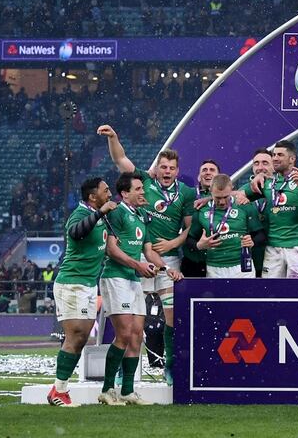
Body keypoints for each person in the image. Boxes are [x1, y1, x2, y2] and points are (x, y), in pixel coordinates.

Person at [98, 124, 194, 385]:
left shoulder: (185, 193)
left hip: (167, 259)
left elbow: (188, 229)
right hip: (137, 257)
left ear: (177, 170)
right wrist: (114, 137)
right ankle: (123, 373)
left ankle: (170, 367)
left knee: (172, 317)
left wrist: (173, 241)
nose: (167, 172)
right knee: (129, 323)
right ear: (157, 168)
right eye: (163, 167)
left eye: (171, 168)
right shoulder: (144, 183)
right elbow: (120, 159)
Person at [99, 173, 182, 406]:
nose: (143, 192)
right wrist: (138, 266)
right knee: (124, 334)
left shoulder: (142, 215)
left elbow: (148, 251)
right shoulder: (116, 213)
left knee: (136, 335)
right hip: (115, 278)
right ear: (125, 193)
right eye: (138, 189)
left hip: (133, 280)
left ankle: (127, 391)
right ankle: (107, 389)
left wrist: (166, 268)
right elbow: (111, 249)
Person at [47, 177, 116, 407]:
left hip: (88, 283)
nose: (109, 193)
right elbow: (76, 233)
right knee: (74, 336)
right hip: (72, 283)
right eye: (105, 190)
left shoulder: (102, 216)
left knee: (82, 338)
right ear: (92, 197)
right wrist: (99, 213)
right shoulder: (80, 213)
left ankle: (59, 387)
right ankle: (59, 390)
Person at [244, 140, 298, 278]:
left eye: (280, 155)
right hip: (273, 247)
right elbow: (234, 195)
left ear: (292, 159)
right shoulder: (266, 181)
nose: (275, 158)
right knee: (269, 291)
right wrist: (207, 199)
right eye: (274, 155)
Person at [187, 175, 266, 278]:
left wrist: (252, 242)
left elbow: (261, 235)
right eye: (217, 198)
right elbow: (189, 239)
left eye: (226, 197)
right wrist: (199, 245)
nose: (222, 202)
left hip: (242, 266)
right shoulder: (202, 210)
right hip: (214, 267)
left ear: (232, 189)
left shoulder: (244, 205)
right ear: (210, 191)